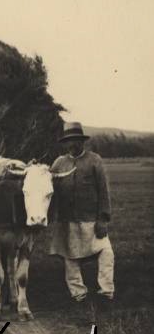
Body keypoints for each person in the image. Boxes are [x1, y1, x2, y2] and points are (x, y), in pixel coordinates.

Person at [50, 121, 114, 304]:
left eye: (76, 140)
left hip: (91, 219)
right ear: (65, 143)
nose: (72, 144)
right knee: (70, 257)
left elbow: (104, 190)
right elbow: (46, 183)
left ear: (82, 141)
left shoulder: (95, 160)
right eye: (69, 141)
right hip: (66, 220)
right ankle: (78, 294)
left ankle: (106, 292)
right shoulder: (59, 163)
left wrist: (103, 219)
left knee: (106, 253)